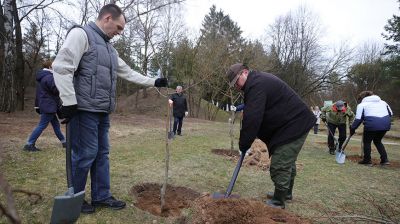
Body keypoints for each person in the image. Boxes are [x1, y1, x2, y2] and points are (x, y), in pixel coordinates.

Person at [52, 4, 168, 214]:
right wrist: (68, 101)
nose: (119, 33)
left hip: (102, 111)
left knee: (102, 154)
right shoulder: (81, 35)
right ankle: (77, 198)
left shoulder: (109, 49)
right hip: (84, 110)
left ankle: (101, 196)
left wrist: (154, 81)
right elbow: (62, 66)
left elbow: (129, 72)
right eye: (119, 27)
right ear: (107, 18)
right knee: (85, 154)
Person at [225, 63, 315, 209]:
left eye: (237, 81)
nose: (236, 87)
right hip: (290, 125)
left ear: (245, 73)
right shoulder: (256, 83)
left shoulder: (256, 85)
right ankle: (285, 193)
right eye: (233, 85)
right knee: (287, 162)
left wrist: (244, 145)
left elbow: (252, 119)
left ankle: (279, 201)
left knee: (280, 164)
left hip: (294, 124)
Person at [23, 60, 66, 152]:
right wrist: (63, 86)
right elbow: (55, 90)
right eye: (53, 66)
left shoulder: (43, 76)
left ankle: (64, 142)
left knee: (56, 125)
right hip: (48, 106)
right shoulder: (49, 77)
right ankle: (29, 144)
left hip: (47, 105)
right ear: (50, 67)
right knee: (41, 126)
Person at [350, 91, 393, 166]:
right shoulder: (383, 102)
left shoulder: (362, 105)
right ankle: (385, 160)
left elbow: (358, 119)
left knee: (367, 141)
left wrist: (352, 128)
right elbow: (390, 114)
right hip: (385, 124)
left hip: (371, 124)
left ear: (362, 98)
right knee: (377, 141)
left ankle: (367, 160)